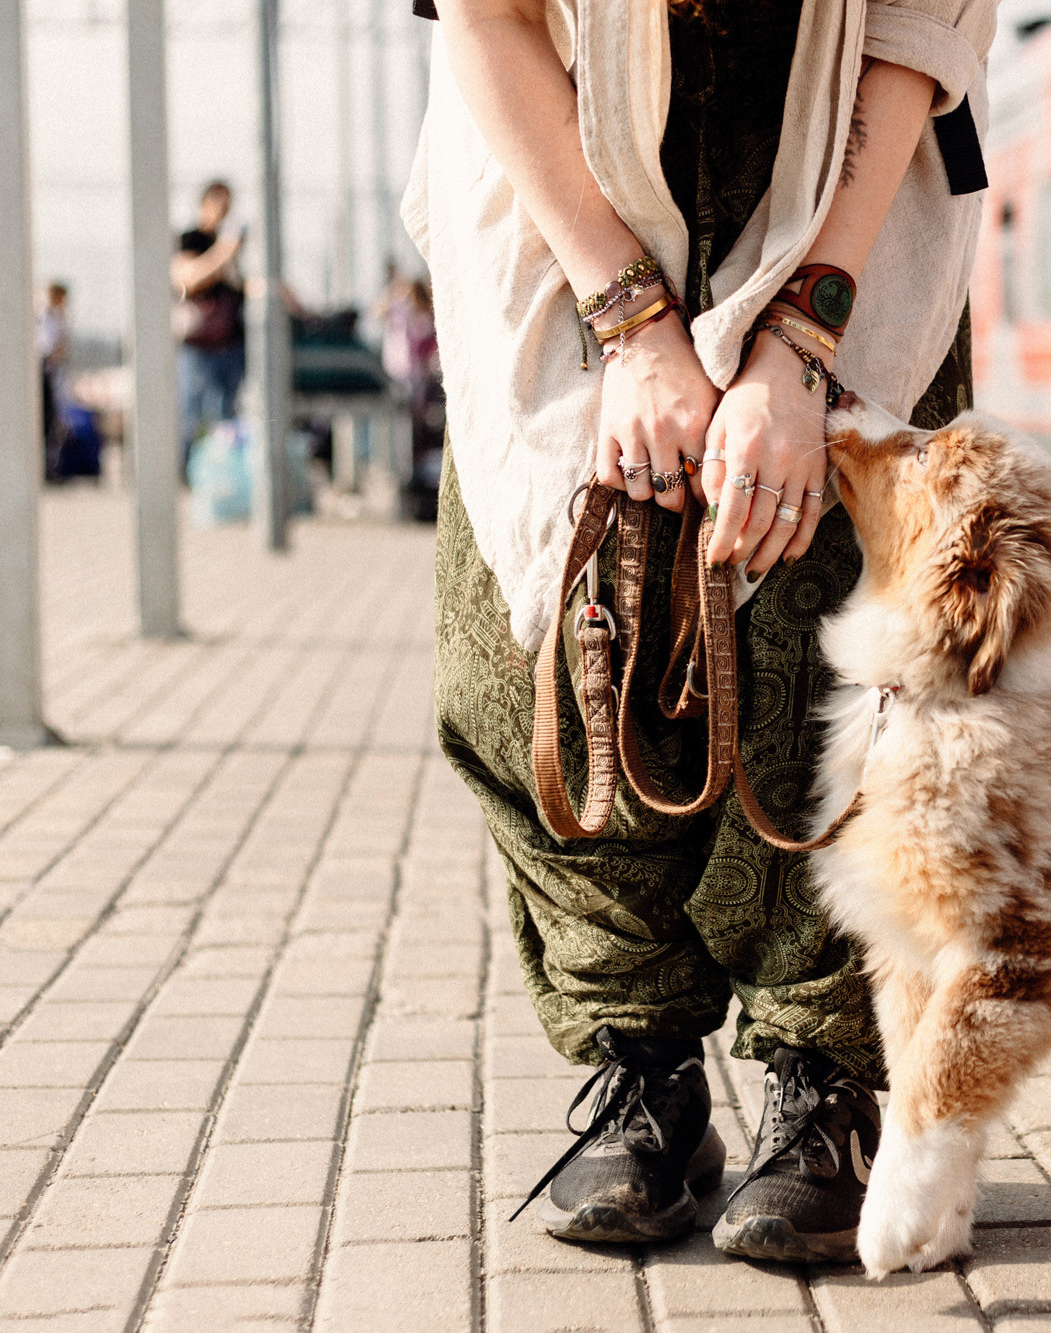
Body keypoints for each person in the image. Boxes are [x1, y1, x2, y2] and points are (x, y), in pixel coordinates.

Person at [410, 0, 991, 1264]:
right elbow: (482, 18)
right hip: (558, 171)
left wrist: (801, 338)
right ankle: (641, 1060)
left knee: (838, 632)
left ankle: (825, 1072)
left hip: (848, 162)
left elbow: (914, 37)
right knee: (548, 656)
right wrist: (627, 319)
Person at [172, 180, 247, 475]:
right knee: (190, 413)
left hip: (231, 343)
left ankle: (220, 472)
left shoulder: (229, 244)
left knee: (226, 415)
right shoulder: (191, 239)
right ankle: (186, 472)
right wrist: (224, 253)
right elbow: (187, 278)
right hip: (198, 345)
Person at [37, 282, 71, 477]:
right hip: (45, 375)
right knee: (47, 422)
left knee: (52, 423)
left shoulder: (55, 317)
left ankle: (51, 466)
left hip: (52, 375)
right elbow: (47, 348)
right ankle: (47, 467)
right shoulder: (45, 316)